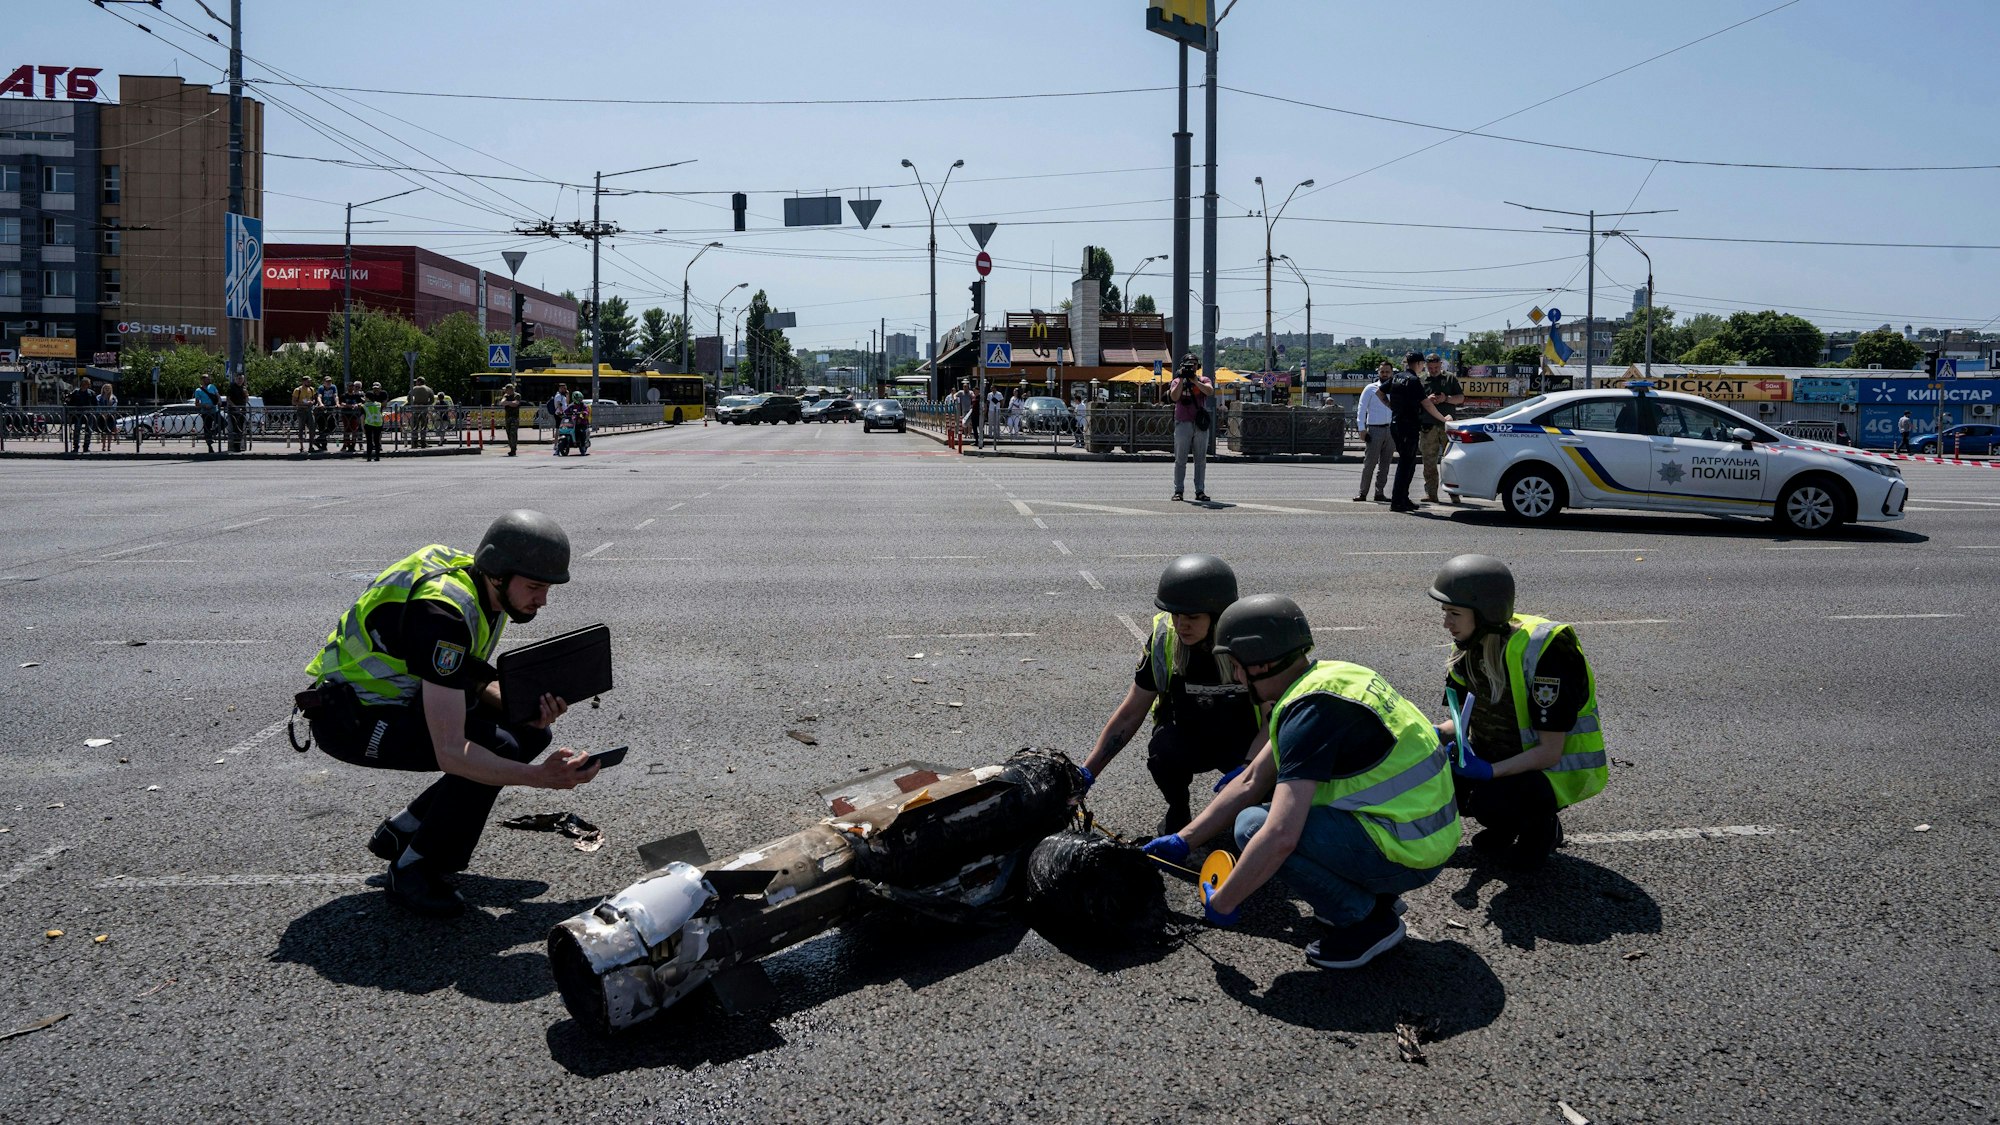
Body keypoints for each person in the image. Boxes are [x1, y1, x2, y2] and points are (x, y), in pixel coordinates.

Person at [299, 510, 601, 916]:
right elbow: (451, 753)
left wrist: (526, 710)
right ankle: (414, 868)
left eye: (547, 588)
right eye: (534, 587)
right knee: (496, 747)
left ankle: (403, 831)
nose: (542, 600)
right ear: (498, 574)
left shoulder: (475, 581)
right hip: (353, 722)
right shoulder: (443, 613)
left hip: (394, 703)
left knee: (529, 734)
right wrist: (541, 779)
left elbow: (463, 673)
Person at [1144, 594, 1459, 969]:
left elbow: (1280, 836)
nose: (1238, 677)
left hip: (1410, 848)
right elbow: (1250, 781)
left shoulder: (1307, 715)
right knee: (1264, 816)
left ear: (1259, 663)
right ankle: (1375, 893)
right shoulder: (1325, 680)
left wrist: (1224, 900)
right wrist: (1184, 840)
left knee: (1254, 827)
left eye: (1237, 666)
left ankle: (1368, 920)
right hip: (1422, 830)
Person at [1427, 555, 1605, 869]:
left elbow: (1550, 753)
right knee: (1432, 778)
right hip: (1501, 757)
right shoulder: (1467, 647)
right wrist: (1430, 735)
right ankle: (1504, 824)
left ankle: (1540, 828)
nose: (1446, 623)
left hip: (1551, 772)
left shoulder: (1546, 654)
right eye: (1444, 613)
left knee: (1490, 800)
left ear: (1484, 614)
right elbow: (1460, 719)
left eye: (1454, 613)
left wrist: (1489, 773)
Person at [1081, 555, 1260, 835]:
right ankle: (1178, 807)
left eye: (1192, 617)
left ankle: (1244, 803)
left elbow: (1279, 713)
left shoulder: (1249, 643)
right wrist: (1087, 773)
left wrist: (1253, 768)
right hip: (1189, 737)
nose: (1180, 624)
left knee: (1255, 818)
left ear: (1219, 616)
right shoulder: (1165, 639)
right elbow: (1131, 712)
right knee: (1163, 751)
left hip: (1243, 744)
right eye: (1176, 614)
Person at [1385, 352, 1446, 512]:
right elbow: (1427, 404)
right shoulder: (1413, 380)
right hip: (1407, 426)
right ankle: (1397, 501)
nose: (1423, 367)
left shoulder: (1398, 377)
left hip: (1397, 424)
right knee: (1406, 464)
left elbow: (1380, 393)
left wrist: (1394, 408)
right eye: (1423, 364)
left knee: (1410, 463)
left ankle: (1403, 498)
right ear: (1419, 363)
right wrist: (1444, 419)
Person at [1419, 353, 1466, 503]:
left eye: (1436, 367)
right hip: (1428, 426)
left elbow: (1461, 398)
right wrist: (1429, 400)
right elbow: (1416, 402)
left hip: (1447, 426)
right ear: (1426, 366)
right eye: (1430, 368)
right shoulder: (1421, 380)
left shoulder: (1450, 378)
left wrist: (1446, 399)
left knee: (1451, 460)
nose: (1433, 370)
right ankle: (1431, 494)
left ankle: (1454, 494)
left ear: (1441, 365)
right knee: (1428, 461)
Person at [1168, 352, 1213, 502]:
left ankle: (1200, 490)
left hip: (1199, 424)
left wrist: (1195, 381)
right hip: (1183, 423)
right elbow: (1174, 397)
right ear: (1181, 366)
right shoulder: (1176, 381)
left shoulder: (1203, 379)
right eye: (1188, 364)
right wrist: (1181, 378)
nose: (1191, 367)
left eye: (1194, 364)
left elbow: (1210, 391)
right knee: (1180, 459)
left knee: (1200, 460)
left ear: (1197, 366)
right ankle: (1178, 490)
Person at [1352, 362, 1395, 502]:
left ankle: (1379, 493)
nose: (1385, 374)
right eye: (1382, 371)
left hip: (1391, 430)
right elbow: (1361, 408)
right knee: (1369, 463)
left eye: (1387, 371)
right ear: (1378, 372)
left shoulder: (1395, 389)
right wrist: (1361, 429)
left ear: (1392, 373)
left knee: (1385, 465)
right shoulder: (1370, 388)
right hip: (1374, 429)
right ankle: (1362, 493)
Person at [65, 377, 95, 453]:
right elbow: (70, 402)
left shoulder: (91, 393)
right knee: (77, 431)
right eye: (83, 384)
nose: (85, 385)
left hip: (88, 414)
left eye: (87, 384)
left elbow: (95, 404)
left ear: (88, 385)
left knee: (88, 431)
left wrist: (93, 411)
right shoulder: (76, 392)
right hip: (78, 414)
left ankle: (86, 447)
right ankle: (76, 447)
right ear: (81, 384)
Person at [194, 379, 221, 453]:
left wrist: (219, 402)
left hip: (214, 410)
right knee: (207, 428)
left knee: (223, 423)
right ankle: (210, 447)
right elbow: (196, 404)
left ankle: (213, 433)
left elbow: (218, 396)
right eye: (205, 379)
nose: (207, 381)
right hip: (205, 412)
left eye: (208, 379)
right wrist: (204, 405)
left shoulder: (212, 387)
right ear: (202, 381)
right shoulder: (198, 390)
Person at [361, 382, 386, 461]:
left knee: (369, 441)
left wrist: (362, 427)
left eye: (365, 397)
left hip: (369, 423)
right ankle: (377, 457)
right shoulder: (378, 404)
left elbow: (362, 417)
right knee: (377, 440)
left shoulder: (364, 406)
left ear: (367, 398)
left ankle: (369, 457)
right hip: (378, 423)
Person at [315, 375, 340, 453]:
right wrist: (321, 404)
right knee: (321, 427)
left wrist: (337, 403)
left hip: (330, 409)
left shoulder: (333, 387)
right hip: (321, 410)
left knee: (332, 426)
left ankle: (318, 440)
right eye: (327, 381)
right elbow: (319, 396)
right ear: (324, 382)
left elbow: (335, 396)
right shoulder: (321, 388)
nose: (329, 383)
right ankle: (323, 446)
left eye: (330, 381)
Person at [292, 377, 317, 451]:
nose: (309, 383)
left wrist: (312, 402)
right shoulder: (298, 390)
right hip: (301, 410)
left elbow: (314, 398)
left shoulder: (312, 389)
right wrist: (303, 403)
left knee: (312, 428)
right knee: (301, 429)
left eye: (310, 382)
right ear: (303, 382)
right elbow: (293, 402)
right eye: (308, 382)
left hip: (309, 410)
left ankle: (311, 446)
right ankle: (301, 446)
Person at [226, 373, 249, 453]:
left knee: (241, 428)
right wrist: (235, 407)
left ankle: (238, 444)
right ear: (235, 379)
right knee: (236, 428)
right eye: (239, 379)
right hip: (234, 411)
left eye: (241, 379)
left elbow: (246, 400)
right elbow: (228, 399)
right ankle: (236, 446)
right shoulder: (232, 387)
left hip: (242, 410)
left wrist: (246, 394)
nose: (240, 380)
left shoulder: (243, 388)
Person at [409, 377, 434, 449]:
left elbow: (409, 398)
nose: (416, 383)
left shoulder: (414, 388)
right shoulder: (428, 389)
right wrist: (426, 404)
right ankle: (423, 441)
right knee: (424, 425)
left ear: (419, 382)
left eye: (416, 382)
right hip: (424, 409)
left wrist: (413, 404)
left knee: (415, 425)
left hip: (415, 409)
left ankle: (415, 442)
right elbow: (432, 400)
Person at [341, 381, 364, 453]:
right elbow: (341, 403)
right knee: (346, 430)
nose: (351, 388)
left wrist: (357, 405)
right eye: (349, 386)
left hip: (355, 416)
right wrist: (348, 405)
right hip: (346, 415)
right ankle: (347, 445)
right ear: (347, 387)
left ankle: (353, 445)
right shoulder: (344, 395)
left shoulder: (357, 396)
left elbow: (361, 402)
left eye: (352, 386)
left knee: (354, 431)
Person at [499, 383, 522, 456]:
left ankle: (513, 449)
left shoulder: (517, 395)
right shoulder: (506, 396)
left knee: (513, 433)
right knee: (508, 433)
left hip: (514, 417)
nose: (505, 391)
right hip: (507, 417)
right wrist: (510, 403)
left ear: (510, 389)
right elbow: (502, 402)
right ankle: (511, 447)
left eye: (506, 389)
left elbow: (516, 403)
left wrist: (507, 403)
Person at [94, 381, 118, 449]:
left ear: (111, 389)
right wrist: (102, 413)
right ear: (103, 389)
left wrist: (108, 413)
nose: (107, 389)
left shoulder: (113, 397)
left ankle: (109, 446)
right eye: (106, 388)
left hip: (111, 416)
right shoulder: (99, 397)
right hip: (101, 416)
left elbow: (114, 406)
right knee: (103, 431)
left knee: (110, 431)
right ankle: (103, 446)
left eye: (108, 388)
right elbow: (97, 406)